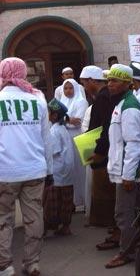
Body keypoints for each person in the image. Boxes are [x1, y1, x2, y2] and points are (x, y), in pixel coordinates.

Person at [0, 58, 52, 276]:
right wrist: (49, 170)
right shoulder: (37, 100)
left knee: (3, 219)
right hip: (34, 169)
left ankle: (5, 265)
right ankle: (32, 263)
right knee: (34, 218)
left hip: (4, 171)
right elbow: (46, 138)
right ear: (23, 73)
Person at [104, 64, 140, 269]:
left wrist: (128, 176)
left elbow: (134, 143)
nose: (110, 84)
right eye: (109, 80)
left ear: (127, 84)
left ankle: (126, 252)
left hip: (127, 172)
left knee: (124, 214)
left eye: (115, 81)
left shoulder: (129, 107)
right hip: (125, 170)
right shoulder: (122, 104)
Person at [80, 66, 119, 238]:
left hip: (104, 154)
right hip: (105, 151)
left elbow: (105, 128)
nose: (84, 87)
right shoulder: (103, 97)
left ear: (92, 81)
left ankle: (116, 233)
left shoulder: (103, 98)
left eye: (84, 83)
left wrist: (99, 152)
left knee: (106, 195)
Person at [44, 99, 75, 236]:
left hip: (57, 170)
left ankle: (48, 226)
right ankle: (65, 226)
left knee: (53, 201)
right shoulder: (62, 128)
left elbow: (53, 152)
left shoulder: (54, 131)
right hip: (66, 170)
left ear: (54, 115)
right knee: (66, 200)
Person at [59, 78, 88, 210]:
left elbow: (78, 122)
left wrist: (63, 120)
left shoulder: (81, 101)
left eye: (70, 88)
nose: (68, 91)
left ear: (76, 89)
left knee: (79, 169)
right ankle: (71, 201)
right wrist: (68, 120)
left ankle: (81, 201)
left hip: (77, 138)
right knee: (69, 169)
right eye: (65, 88)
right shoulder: (62, 102)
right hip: (65, 139)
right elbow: (55, 119)